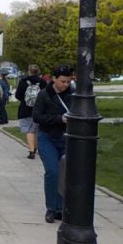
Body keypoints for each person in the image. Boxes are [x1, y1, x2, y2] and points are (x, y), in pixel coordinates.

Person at [32, 65, 74, 223]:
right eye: (63, 81)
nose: (65, 85)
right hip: (47, 137)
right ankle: (51, 208)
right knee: (52, 172)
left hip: (66, 138)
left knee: (65, 174)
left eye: (68, 82)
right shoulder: (44, 95)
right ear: (54, 79)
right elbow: (37, 117)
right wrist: (59, 119)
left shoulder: (73, 95)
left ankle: (61, 208)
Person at [15, 64, 47, 159]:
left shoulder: (23, 81)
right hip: (39, 109)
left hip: (25, 109)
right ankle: (36, 148)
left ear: (29, 71)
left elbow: (18, 95)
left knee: (29, 130)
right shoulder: (42, 82)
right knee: (36, 130)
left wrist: (25, 100)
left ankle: (31, 151)